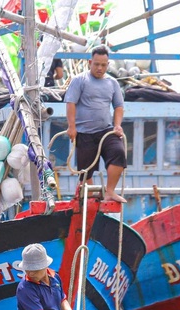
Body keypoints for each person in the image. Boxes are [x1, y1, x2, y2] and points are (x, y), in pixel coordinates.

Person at [65, 45, 127, 203]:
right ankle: (88, 200)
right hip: (84, 133)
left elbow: (119, 107)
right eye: (96, 64)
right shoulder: (80, 80)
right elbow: (70, 103)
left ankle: (110, 191)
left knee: (119, 152)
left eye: (103, 65)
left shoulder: (112, 83)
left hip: (106, 131)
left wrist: (117, 125)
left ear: (108, 64)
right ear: (90, 62)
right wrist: (72, 127)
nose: (100, 68)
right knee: (86, 173)